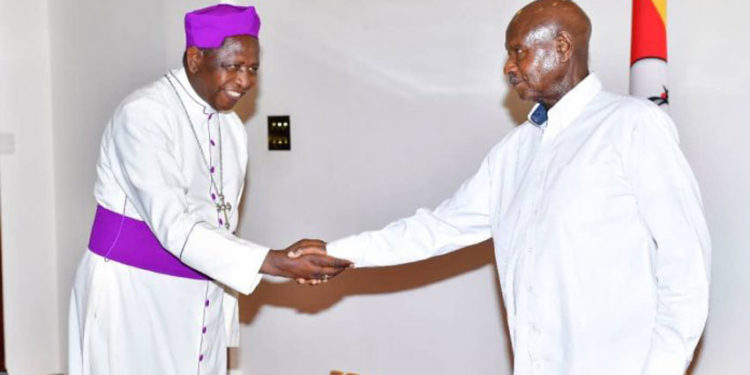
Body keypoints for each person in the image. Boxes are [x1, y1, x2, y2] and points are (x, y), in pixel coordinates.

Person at [296, 0, 710, 373]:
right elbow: (439, 228)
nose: (508, 68)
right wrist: (338, 253)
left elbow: (685, 260)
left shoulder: (632, 125)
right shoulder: (513, 153)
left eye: (518, 51)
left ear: (563, 48)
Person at [68, 4, 351, 375]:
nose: (245, 81)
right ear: (196, 58)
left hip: (202, 295)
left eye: (252, 69)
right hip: (133, 295)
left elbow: (220, 223)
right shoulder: (144, 115)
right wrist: (272, 261)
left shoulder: (231, 128)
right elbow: (173, 223)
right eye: (232, 66)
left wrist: (274, 261)